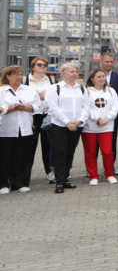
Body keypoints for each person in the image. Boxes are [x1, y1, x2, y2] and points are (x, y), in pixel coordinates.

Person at [46, 63, 87, 193]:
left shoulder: (82, 89)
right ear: (63, 73)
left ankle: (66, 178)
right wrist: (67, 122)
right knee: (60, 153)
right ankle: (59, 182)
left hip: (76, 125)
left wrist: (80, 121)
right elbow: (53, 108)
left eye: (76, 71)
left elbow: (86, 107)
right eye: (71, 71)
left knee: (70, 152)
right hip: (60, 125)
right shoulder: (55, 88)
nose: (75, 74)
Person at [0, 64, 40, 193]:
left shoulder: (28, 89)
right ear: (8, 76)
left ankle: (21, 183)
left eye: (21, 74)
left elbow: (37, 106)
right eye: (16, 74)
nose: (19, 77)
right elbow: (2, 107)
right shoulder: (2, 90)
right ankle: (3, 184)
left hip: (25, 128)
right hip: (6, 129)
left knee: (22, 156)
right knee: (5, 157)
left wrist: (26, 108)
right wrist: (14, 108)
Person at [81, 68, 118, 185]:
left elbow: (115, 107)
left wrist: (107, 119)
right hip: (90, 127)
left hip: (106, 127)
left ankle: (109, 174)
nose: (101, 78)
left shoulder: (111, 91)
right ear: (92, 79)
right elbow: (87, 108)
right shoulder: (86, 91)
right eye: (98, 77)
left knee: (107, 152)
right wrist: (98, 119)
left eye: (103, 76)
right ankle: (93, 175)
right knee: (90, 153)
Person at [27, 57, 55, 182]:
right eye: (40, 64)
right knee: (29, 146)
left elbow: (56, 95)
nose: (43, 66)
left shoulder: (51, 79)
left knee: (48, 145)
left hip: (46, 115)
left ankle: (50, 172)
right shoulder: (25, 80)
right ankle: (25, 174)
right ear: (33, 67)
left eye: (45, 65)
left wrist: (46, 96)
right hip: (31, 115)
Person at [100, 54, 118, 161]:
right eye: (107, 61)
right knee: (95, 142)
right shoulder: (94, 75)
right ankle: (91, 169)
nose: (109, 64)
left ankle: (110, 166)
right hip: (97, 114)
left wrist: (116, 108)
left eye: (111, 61)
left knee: (112, 140)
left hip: (113, 114)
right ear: (101, 61)